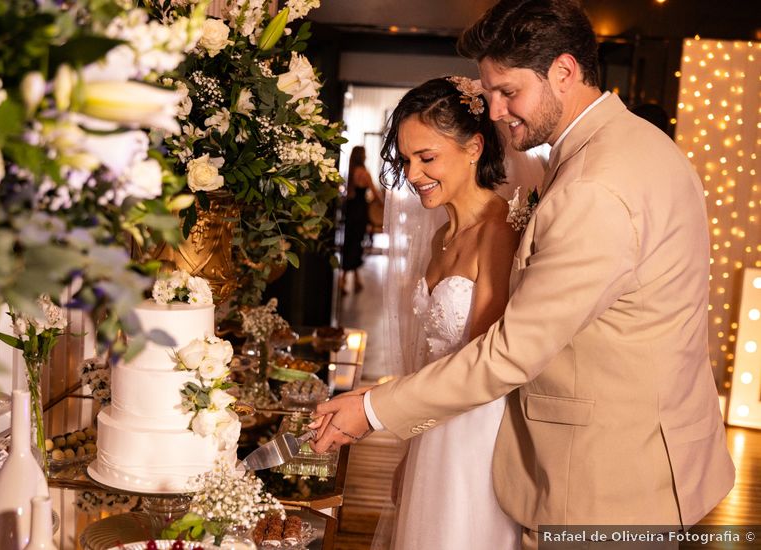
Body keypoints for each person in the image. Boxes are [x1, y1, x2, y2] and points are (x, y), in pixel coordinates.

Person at [310, 1, 735, 548]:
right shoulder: (639, 145)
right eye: (489, 92)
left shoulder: (594, 186)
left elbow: (511, 350)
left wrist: (373, 409)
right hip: (656, 447)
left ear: (564, 71)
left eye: (508, 91)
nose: (493, 109)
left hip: (608, 474)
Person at [372, 76, 522, 549]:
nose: (413, 174)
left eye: (427, 158)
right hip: (432, 428)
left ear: (474, 147)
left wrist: (378, 409)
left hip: (474, 442)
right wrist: (410, 447)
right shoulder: (441, 236)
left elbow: (483, 362)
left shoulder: (499, 231)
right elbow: (426, 356)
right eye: (406, 159)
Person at [339, 146, 378, 294]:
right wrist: (380, 204)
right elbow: (375, 193)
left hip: (350, 211)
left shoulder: (351, 172)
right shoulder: (364, 173)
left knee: (349, 242)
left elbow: (348, 195)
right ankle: (344, 281)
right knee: (356, 243)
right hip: (361, 211)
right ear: (362, 156)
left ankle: (354, 279)